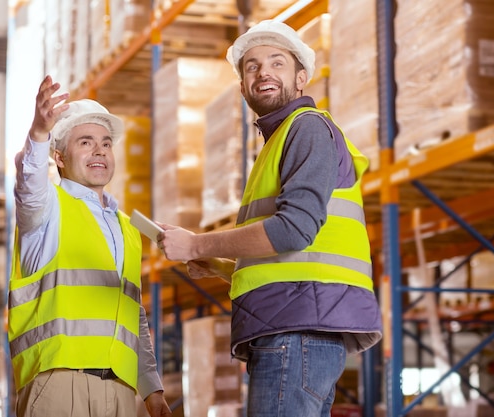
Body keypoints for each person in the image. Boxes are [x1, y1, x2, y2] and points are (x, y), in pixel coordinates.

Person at [158, 20, 382, 417]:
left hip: (297, 331)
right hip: (299, 324)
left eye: (277, 63)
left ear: (301, 78)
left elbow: (293, 230)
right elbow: (292, 259)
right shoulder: (279, 142)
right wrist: (224, 266)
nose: (263, 72)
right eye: (252, 66)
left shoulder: (306, 129)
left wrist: (196, 244)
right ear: (243, 87)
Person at [7, 75, 172, 417]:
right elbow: (29, 183)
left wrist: (151, 388)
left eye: (106, 143)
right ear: (60, 157)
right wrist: (39, 133)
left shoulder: (127, 227)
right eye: (85, 142)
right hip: (60, 383)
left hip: (121, 391)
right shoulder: (47, 208)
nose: (99, 151)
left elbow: (132, 315)